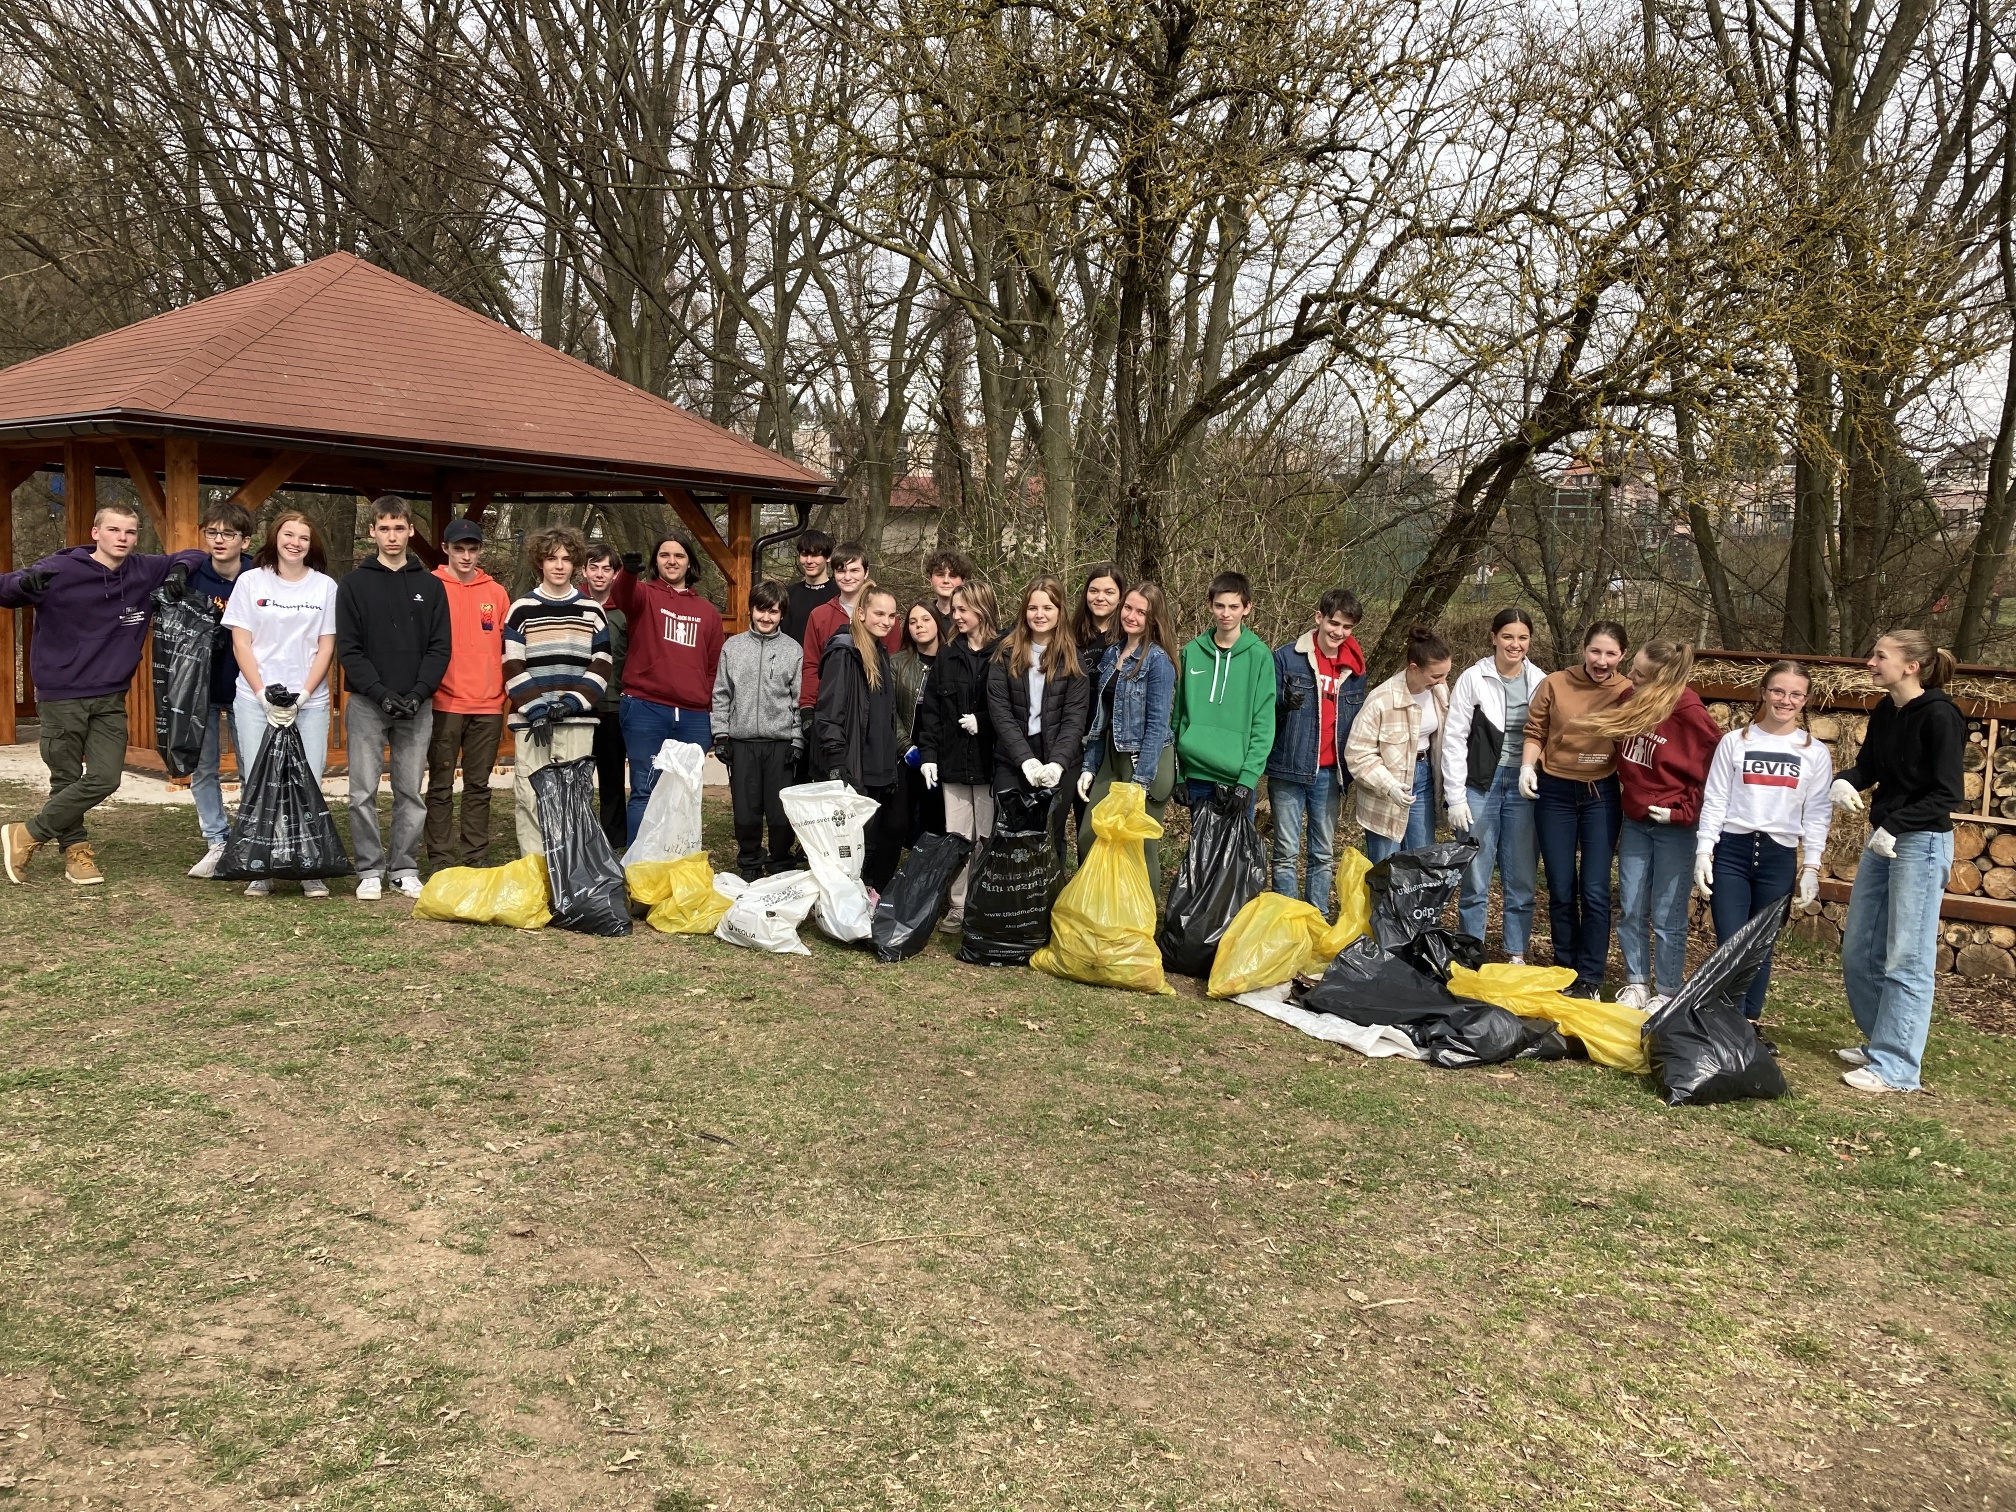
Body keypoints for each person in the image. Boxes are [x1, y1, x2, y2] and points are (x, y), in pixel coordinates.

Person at [0, 500, 205, 887]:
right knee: (65, 777)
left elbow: (195, 554)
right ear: (96, 533)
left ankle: (26, 833)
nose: (122, 538)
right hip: (62, 692)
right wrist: (22, 585)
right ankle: (76, 853)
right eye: (113, 530)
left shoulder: (143, 569)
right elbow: (5, 589)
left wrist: (179, 569)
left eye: (130, 531)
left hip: (110, 694)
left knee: (106, 777)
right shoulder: (60, 569)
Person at [1830, 631, 1966, 1093]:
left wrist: (1898, 824)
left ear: (1911, 666)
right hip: (1883, 839)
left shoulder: (1942, 716)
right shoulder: (1886, 709)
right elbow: (1869, 768)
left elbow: (1948, 793)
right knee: (1860, 950)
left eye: (1880, 656)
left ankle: (1898, 1066)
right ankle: (1880, 1043)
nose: (1870, 662)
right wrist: (1845, 780)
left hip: (1920, 843)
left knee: (1907, 957)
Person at [1575, 639, 1719, 1011]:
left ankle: (1667, 991)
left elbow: (1718, 772)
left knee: (1668, 913)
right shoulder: (1632, 700)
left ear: (1661, 680)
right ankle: (1636, 983)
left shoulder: (1690, 713)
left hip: (1675, 827)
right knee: (1632, 906)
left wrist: (1683, 812)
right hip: (1637, 820)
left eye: (1639, 674)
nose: (1631, 677)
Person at [1695, 661, 1833, 1030]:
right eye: (1778, 691)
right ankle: (1723, 1025)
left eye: (1795, 694)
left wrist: (1812, 866)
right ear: (1764, 692)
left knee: (1761, 946)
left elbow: (1817, 812)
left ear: (1805, 700)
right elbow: (1716, 799)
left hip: (1778, 855)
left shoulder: (1814, 752)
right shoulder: (1734, 742)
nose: (1785, 700)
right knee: (1731, 943)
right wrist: (1704, 850)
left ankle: (1748, 1025)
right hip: (1733, 852)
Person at [335, 495, 452, 901]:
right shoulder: (353, 585)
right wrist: (380, 693)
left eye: (399, 527)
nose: (391, 535)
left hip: (417, 704)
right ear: (372, 531)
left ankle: (403, 868)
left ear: (410, 531)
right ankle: (369, 869)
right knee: (361, 792)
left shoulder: (430, 586)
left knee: (410, 792)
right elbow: (349, 649)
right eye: (383, 528)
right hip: (368, 703)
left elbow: (440, 647)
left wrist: (419, 692)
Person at [220, 510, 341, 897]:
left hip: (309, 702)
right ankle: (261, 865)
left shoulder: (325, 587)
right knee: (258, 781)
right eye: (288, 535)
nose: (295, 543)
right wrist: (262, 695)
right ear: (275, 538)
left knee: (308, 780)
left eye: (303, 537)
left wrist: (303, 696)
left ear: (311, 544)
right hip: (256, 700)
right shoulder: (250, 581)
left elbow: (326, 646)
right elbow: (241, 643)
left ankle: (309, 864)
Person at [1520, 621, 1632, 997]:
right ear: (1584, 649)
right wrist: (1527, 767)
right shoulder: (1555, 683)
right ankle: (1565, 969)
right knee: (1561, 886)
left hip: (1601, 794)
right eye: (1595, 651)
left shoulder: (1628, 691)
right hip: (1555, 793)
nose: (1602, 660)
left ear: (1623, 655)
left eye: (1611, 653)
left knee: (1596, 889)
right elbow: (1535, 731)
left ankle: (1591, 977)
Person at [1441, 608, 1546, 963]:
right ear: (1494, 637)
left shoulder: (1541, 681)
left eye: (1523, 638)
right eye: (1508, 636)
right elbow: (1454, 738)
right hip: (1480, 784)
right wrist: (1455, 796)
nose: (1515, 644)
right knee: (1476, 873)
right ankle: (1471, 951)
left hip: (1524, 784)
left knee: (1522, 875)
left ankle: (1516, 953)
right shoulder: (1474, 678)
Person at [605, 529, 724, 843]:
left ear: (690, 562)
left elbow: (712, 669)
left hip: (693, 716)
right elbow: (622, 595)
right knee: (645, 789)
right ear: (656, 562)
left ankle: (678, 858)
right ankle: (641, 863)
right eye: (665, 555)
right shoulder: (644, 595)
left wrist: (709, 712)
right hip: (645, 707)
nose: (672, 561)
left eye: (679, 555)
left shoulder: (708, 613)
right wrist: (628, 573)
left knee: (685, 793)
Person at [502, 526, 611, 858]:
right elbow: (511, 664)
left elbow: (602, 663)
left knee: (574, 798)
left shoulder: (592, 610)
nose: (559, 565)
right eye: (551, 559)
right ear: (540, 563)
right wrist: (536, 709)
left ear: (575, 563)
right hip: (532, 722)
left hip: (576, 722)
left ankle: (569, 868)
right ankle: (536, 869)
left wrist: (573, 703)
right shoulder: (521, 609)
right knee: (530, 796)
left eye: (566, 559)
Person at [1265, 587, 1366, 915]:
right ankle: (1287, 920)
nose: (1339, 632)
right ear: (1319, 618)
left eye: (1347, 627)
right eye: (1334, 623)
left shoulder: (1355, 668)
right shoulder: (1286, 657)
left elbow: (1357, 723)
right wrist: (1283, 703)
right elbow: (1264, 710)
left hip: (1330, 773)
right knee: (1285, 852)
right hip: (1289, 767)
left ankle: (1317, 918)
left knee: (1322, 854)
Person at [1076, 583, 1177, 888]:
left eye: (1141, 612)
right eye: (1128, 608)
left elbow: (1157, 725)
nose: (1131, 616)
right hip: (1111, 755)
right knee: (1089, 835)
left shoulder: (1159, 661)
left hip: (1146, 761)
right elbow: (1102, 717)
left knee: (1140, 848)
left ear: (1154, 618)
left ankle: (1144, 915)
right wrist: (1089, 766)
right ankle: (1104, 908)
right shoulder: (1112, 653)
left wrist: (1141, 782)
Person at [987, 575, 1091, 861]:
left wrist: (1058, 763)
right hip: (1013, 757)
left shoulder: (1073, 658)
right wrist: (1025, 759)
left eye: (1047, 608)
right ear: (1025, 611)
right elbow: (1000, 712)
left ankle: (1053, 891)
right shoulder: (1005, 653)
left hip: (1059, 755)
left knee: (1050, 840)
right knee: (1011, 839)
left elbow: (1074, 718)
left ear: (1059, 612)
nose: (1040, 614)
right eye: (1033, 608)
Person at [423, 519, 508, 869]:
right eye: (459, 549)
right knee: (440, 784)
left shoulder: (496, 592)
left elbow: (506, 646)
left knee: (478, 785)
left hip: (488, 704)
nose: (466, 556)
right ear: (446, 549)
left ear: (480, 550)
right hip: (445, 701)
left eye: (473, 549)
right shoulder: (430, 586)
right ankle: (441, 860)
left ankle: (475, 857)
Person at [916, 581, 999, 930]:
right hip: (952, 763)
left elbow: (1016, 706)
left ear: (982, 608)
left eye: (963, 609)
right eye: (954, 610)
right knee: (958, 838)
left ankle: (985, 904)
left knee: (986, 838)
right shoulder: (948, 655)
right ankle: (959, 905)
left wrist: (985, 721)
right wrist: (929, 755)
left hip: (990, 764)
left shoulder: (1004, 652)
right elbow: (932, 711)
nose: (956, 616)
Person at [813, 585, 908, 890]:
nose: (886, 621)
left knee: (873, 840)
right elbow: (830, 710)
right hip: (855, 764)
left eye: (892, 616)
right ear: (862, 613)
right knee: (850, 844)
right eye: (879, 614)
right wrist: (836, 760)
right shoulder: (845, 652)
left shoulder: (880, 652)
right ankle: (845, 898)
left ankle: (865, 895)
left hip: (879, 765)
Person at [711, 580, 803, 880]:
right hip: (742, 742)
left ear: (782, 614)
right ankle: (750, 861)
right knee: (746, 809)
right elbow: (721, 693)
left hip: (780, 743)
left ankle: (780, 861)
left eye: (773, 612)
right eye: (761, 610)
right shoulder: (733, 647)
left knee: (779, 811)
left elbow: (799, 700)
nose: (766, 617)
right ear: (751, 610)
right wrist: (721, 735)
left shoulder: (793, 650)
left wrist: (797, 740)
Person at [185, 501, 256, 879]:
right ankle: (216, 840)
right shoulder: (191, 576)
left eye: (228, 533)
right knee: (203, 769)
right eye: (212, 532)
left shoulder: (259, 577)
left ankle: (248, 837)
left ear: (245, 540)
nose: (219, 540)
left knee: (251, 767)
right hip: (200, 688)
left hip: (248, 687)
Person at [1171, 571, 1274, 817]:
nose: (1225, 613)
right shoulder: (1192, 652)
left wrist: (1247, 780)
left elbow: (1264, 723)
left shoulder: (1259, 656)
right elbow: (1178, 715)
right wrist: (1178, 774)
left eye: (1233, 607)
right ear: (1210, 605)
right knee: (1201, 844)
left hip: (1237, 779)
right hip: (1195, 773)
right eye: (1219, 606)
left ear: (1247, 608)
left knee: (1236, 845)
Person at [1345, 624, 1451, 863]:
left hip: (1424, 780)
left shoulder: (1439, 692)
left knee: (1421, 860)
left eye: (1446, 675)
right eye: (1436, 676)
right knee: (1387, 865)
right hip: (1385, 792)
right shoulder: (1381, 700)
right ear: (1414, 668)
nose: (1442, 681)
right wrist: (1389, 785)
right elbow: (1357, 754)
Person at [580, 544, 630, 850]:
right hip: (577, 706)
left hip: (613, 706)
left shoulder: (624, 612)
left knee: (612, 779)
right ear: (584, 571)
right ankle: (580, 837)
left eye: (606, 568)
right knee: (578, 778)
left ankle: (614, 839)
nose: (600, 574)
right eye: (594, 567)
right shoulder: (573, 605)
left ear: (616, 574)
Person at [798, 541, 875, 716]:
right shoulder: (819, 615)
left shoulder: (881, 613)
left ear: (866, 572)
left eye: (854, 570)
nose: (847, 577)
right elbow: (811, 665)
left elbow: (892, 663)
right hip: (830, 706)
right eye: (841, 571)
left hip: (872, 705)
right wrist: (807, 706)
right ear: (833, 573)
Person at [890, 602, 945, 843]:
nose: (919, 626)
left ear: (938, 623)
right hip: (904, 753)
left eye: (925, 620)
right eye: (913, 622)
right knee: (898, 823)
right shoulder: (896, 663)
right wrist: (905, 746)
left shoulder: (951, 661)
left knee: (936, 821)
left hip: (940, 755)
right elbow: (888, 710)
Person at [781, 528, 837, 647]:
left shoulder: (840, 594)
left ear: (828, 557)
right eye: (804, 555)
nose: (809, 561)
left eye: (815, 555)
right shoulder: (788, 594)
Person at [922, 548, 974, 639]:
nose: (946, 581)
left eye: (953, 576)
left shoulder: (973, 617)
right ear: (930, 579)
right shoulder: (922, 616)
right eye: (940, 575)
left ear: (963, 581)